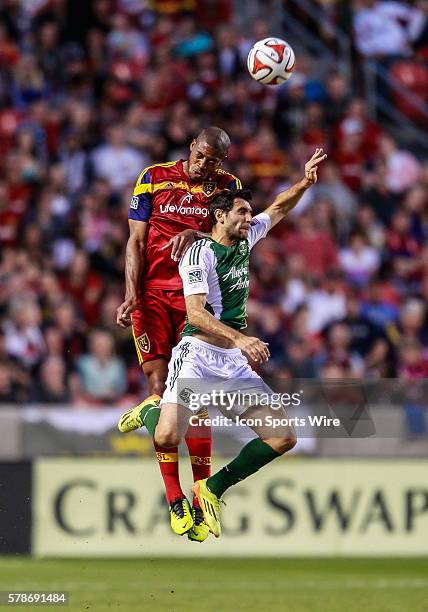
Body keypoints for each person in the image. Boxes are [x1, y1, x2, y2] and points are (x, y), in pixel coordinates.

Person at [123, 148, 327, 538]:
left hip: (230, 363)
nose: (250, 219)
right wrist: (242, 339)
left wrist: (304, 182)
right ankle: (152, 412)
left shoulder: (246, 239)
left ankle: (212, 488)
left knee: (284, 436)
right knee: (167, 435)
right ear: (221, 216)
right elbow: (196, 314)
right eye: (243, 214)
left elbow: (280, 208)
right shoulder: (197, 254)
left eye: (251, 214)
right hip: (197, 357)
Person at [116, 127, 242, 541]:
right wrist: (132, 293)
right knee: (160, 386)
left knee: (194, 401)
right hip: (152, 298)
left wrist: (199, 234)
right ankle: (176, 501)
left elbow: (236, 236)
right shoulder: (152, 176)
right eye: (203, 156)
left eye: (215, 161)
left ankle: (202, 496)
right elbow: (135, 241)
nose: (207, 166)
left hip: (196, 300)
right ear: (192, 147)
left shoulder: (228, 187)